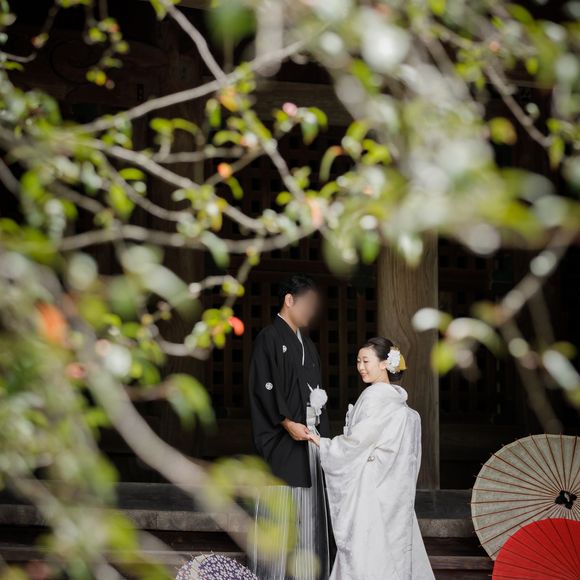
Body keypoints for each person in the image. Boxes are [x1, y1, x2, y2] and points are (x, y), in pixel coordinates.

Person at [309, 337, 434, 580]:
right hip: (394, 491)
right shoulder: (399, 401)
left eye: (366, 361)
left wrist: (324, 444)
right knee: (392, 551)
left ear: (384, 364)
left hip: (370, 490)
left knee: (365, 553)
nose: (360, 367)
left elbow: (356, 443)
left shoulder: (374, 397)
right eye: (358, 361)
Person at [248, 274, 331, 580]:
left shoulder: (307, 345)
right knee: (281, 512)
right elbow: (263, 385)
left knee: (309, 516)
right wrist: (285, 422)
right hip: (282, 439)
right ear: (289, 300)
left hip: (309, 436)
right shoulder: (269, 338)